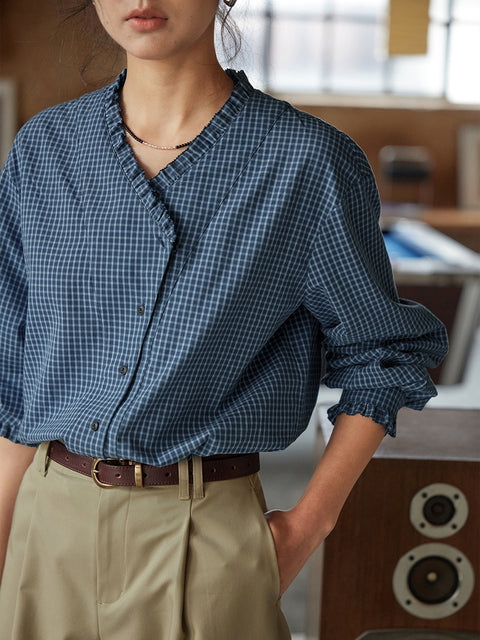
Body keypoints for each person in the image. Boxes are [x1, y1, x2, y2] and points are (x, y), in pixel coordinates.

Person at [0, 1, 448, 638]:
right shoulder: (44, 150)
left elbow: (384, 358)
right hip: (43, 525)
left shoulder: (307, 162)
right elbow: (16, 377)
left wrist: (307, 527)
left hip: (204, 537)